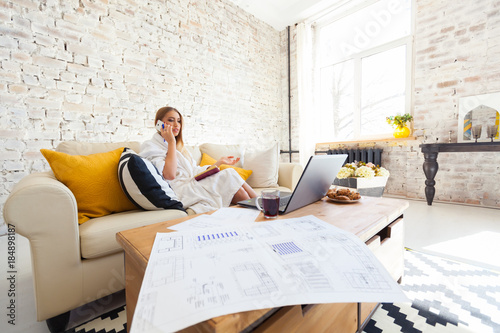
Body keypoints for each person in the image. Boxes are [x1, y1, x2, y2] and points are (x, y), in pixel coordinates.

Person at [139, 106, 257, 214]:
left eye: (178, 121)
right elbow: (169, 175)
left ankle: (259, 208)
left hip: (193, 184)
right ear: (159, 124)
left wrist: (219, 162)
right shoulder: (151, 146)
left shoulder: (181, 149)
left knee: (237, 187)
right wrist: (171, 143)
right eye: (171, 120)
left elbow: (195, 171)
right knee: (229, 175)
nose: (176, 125)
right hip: (180, 192)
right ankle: (261, 208)